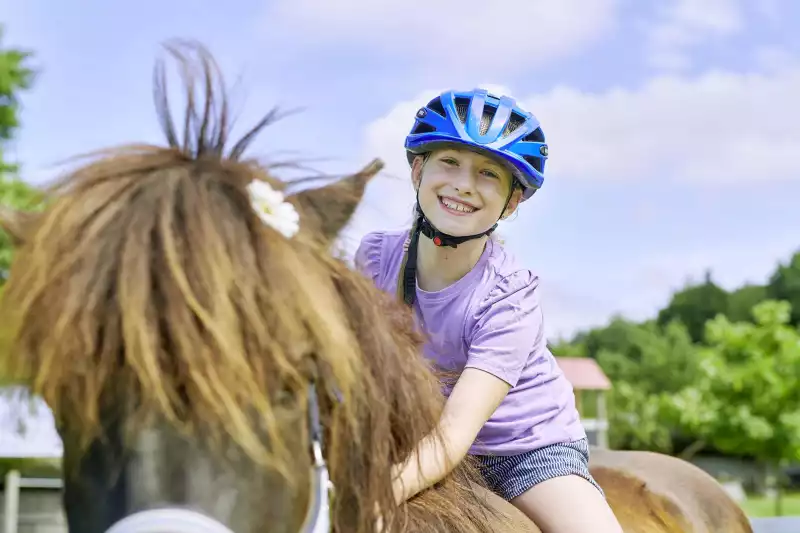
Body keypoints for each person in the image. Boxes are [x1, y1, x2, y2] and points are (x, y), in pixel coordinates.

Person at [355, 88, 623, 532]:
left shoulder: (509, 296)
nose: (464, 183)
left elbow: (454, 433)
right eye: (450, 163)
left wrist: (376, 498)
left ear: (511, 202)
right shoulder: (374, 258)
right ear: (418, 169)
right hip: (408, 433)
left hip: (520, 451)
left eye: (487, 174)